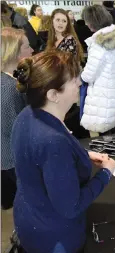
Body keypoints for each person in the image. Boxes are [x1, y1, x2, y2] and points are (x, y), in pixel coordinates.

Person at [11, 51, 115, 253]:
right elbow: (70, 207)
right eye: (73, 78)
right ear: (53, 94)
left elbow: (38, 163)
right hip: (54, 236)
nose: (79, 82)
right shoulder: (53, 141)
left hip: (30, 217)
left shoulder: (27, 115)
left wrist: (81, 156)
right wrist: (105, 174)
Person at [80, 5, 115, 134]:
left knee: (102, 126)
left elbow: (89, 75)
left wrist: (81, 76)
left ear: (92, 22)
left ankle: (109, 153)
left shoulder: (98, 44)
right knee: (109, 123)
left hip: (100, 90)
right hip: (113, 85)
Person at [1, 28, 33, 210]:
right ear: (15, 52)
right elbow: (16, 129)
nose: (32, 51)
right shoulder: (10, 88)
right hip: (12, 158)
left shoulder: (9, 81)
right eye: (27, 47)